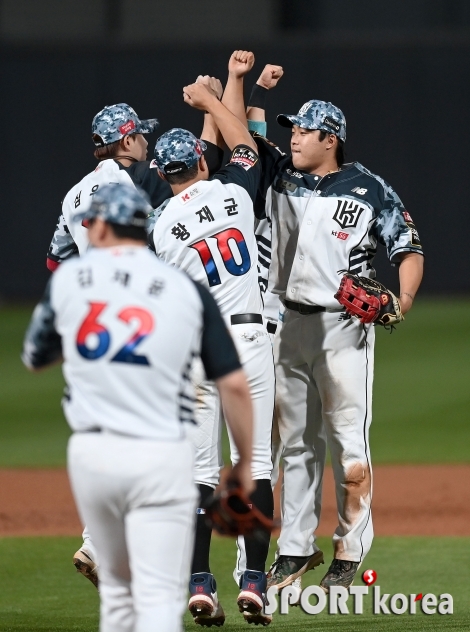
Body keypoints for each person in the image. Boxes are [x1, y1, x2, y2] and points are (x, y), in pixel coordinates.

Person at [23, 183, 255, 632]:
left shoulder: (70, 280)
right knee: (155, 593)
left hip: (93, 456)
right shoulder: (183, 288)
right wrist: (243, 464)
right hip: (161, 455)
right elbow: (235, 386)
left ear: (102, 226)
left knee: (119, 595)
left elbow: (35, 356)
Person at [246, 95, 424, 593]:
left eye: (304, 131)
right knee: (297, 445)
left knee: (349, 450)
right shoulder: (279, 173)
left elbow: (408, 247)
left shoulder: (368, 188)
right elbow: (243, 138)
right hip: (288, 326)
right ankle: (295, 549)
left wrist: (402, 300)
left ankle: (350, 549)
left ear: (331, 140)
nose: (294, 138)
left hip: (344, 328)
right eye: (292, 130)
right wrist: (249, 87)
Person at [149, 75, 275, 626]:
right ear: (203, 163)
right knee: (257, 463)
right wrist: (215, 97)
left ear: (162, 175)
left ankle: (201, 583)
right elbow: (244, 145)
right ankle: (254, 581)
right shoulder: (231, 193)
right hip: (248, 339)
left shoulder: (159, 229)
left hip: (197, 352)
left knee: (200, 471)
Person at [46, 100, 223, 271]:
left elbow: (55, 261)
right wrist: (209, 105)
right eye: (140, 135)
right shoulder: (136, 176)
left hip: (100, 289)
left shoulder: (72, 195)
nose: (145, 142)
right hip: (139, 286)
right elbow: (204, 162)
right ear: (127, 141)